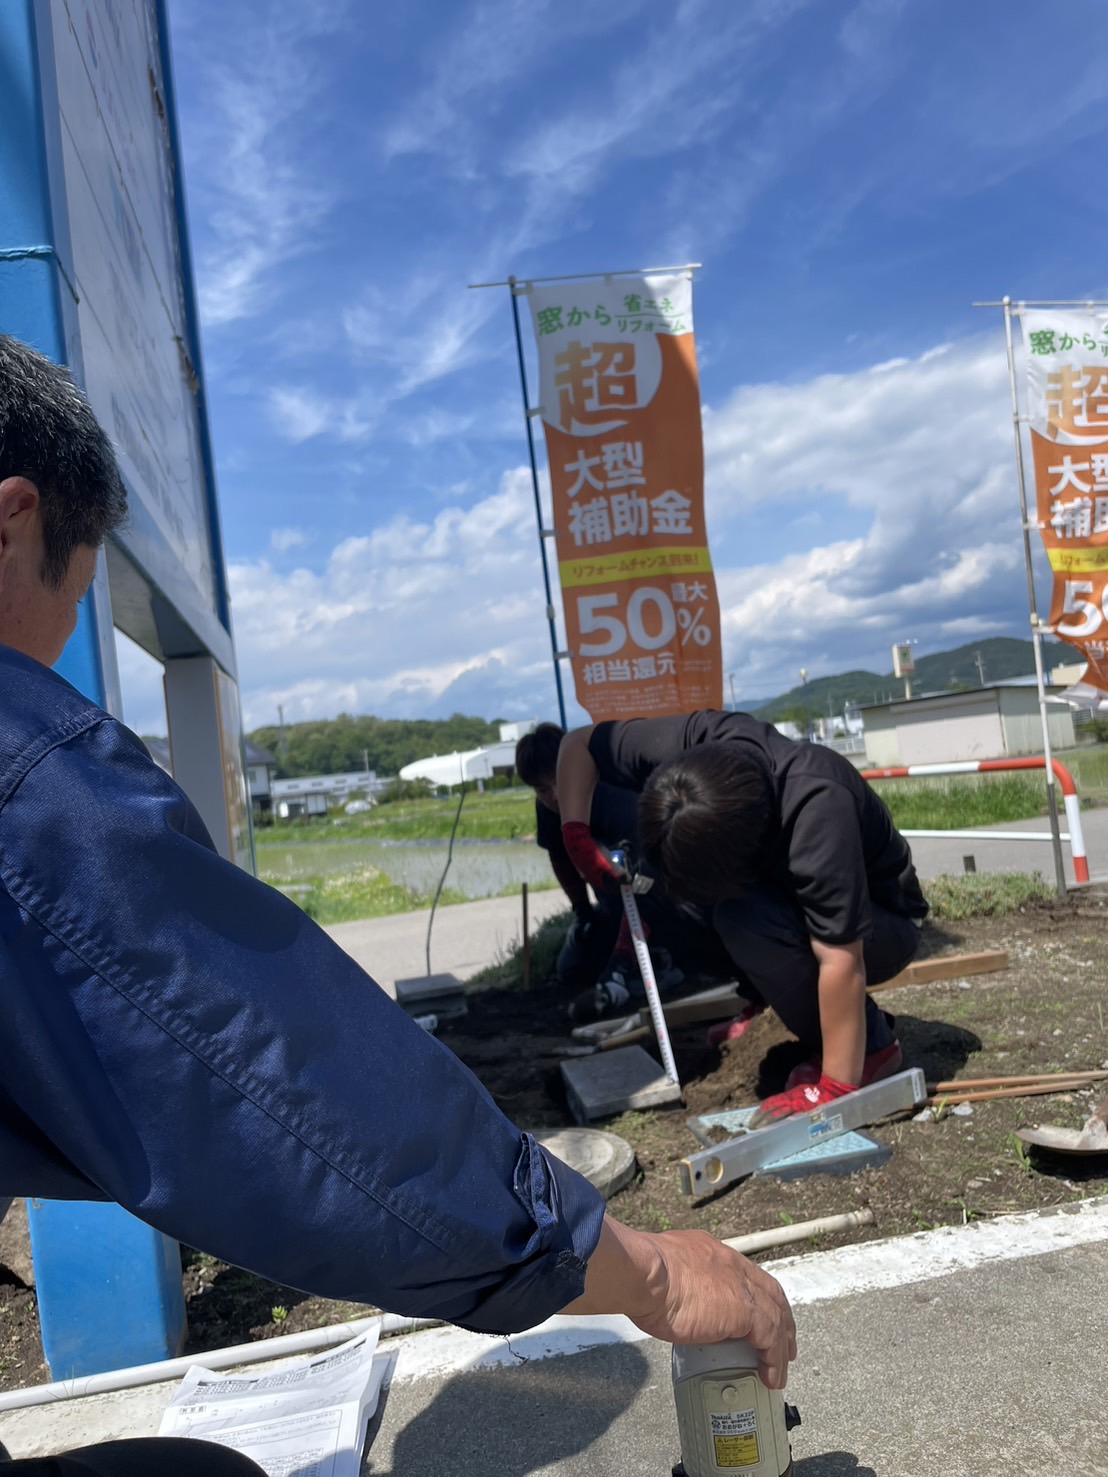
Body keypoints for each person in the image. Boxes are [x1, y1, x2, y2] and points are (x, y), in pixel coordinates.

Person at [0, 336, 794, 1468]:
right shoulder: (23, 774)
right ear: (12, 521)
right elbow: (281, 1093)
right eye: (72, 601)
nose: (56, 656)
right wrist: (650, 1268)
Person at [555, 713, 929, 1125]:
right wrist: (576, 836)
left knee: (742, 920)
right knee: (669, 902)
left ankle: (874, 1046)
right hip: (782, 896)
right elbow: (579, 745)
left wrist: (836, 1087)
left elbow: (841, 959)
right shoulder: (691, 740)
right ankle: (766, 995)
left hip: (884, 924)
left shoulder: (817, 806)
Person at [515, 722, 729, 1018]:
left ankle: (651, 962)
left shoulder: (613, 796)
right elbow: (561, 860)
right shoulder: (548, 810)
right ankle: (631, 964)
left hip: (660, 896)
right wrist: (582, 912)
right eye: (542, 789)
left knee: (654, 925)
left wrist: (621, 957)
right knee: (571, 967)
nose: (553, 794)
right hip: (612, 902)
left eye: (557, 780)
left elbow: (641, 880)